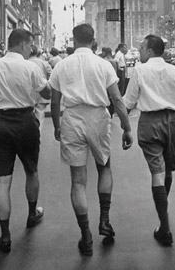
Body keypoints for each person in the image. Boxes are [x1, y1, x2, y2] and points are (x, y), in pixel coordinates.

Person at [49, 24, 133, 257]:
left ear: (73, 40)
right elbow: (116, 99)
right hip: (98, 118)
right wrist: (126, 128)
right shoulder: (103, 65)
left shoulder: (61, 66)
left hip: (72, 118)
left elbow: (55, 102)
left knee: (78, 181)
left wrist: (57, 126)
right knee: (104, 167)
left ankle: (85, 235)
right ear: (92, 40)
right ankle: (104, 220)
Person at [123, 35, 175, 246]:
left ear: (150, 50)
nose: (140, 50)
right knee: (168, 170)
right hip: (173, 122)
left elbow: (128, 102)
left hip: (150, 123)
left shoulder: (139, 70)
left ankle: (165, 228)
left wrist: (125, 127)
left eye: (142, 47)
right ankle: (163, 209)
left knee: (157, 172)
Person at [0, 29, 51, 253]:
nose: (31, 49)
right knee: (31, 171)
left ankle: (5, 236)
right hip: (24, 121)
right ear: (23, 45)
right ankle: (32, 214)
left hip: (0, 122)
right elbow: (47, 93)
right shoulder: (30, 66)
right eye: (30, 45)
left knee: (3, 182)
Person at [29, 45, 52, 130]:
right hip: (42, 91)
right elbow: (50, 75)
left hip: (28, 91)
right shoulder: (44, 63)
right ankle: (38, 133)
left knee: (28, 113)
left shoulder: (25, 62)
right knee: (39, 113)